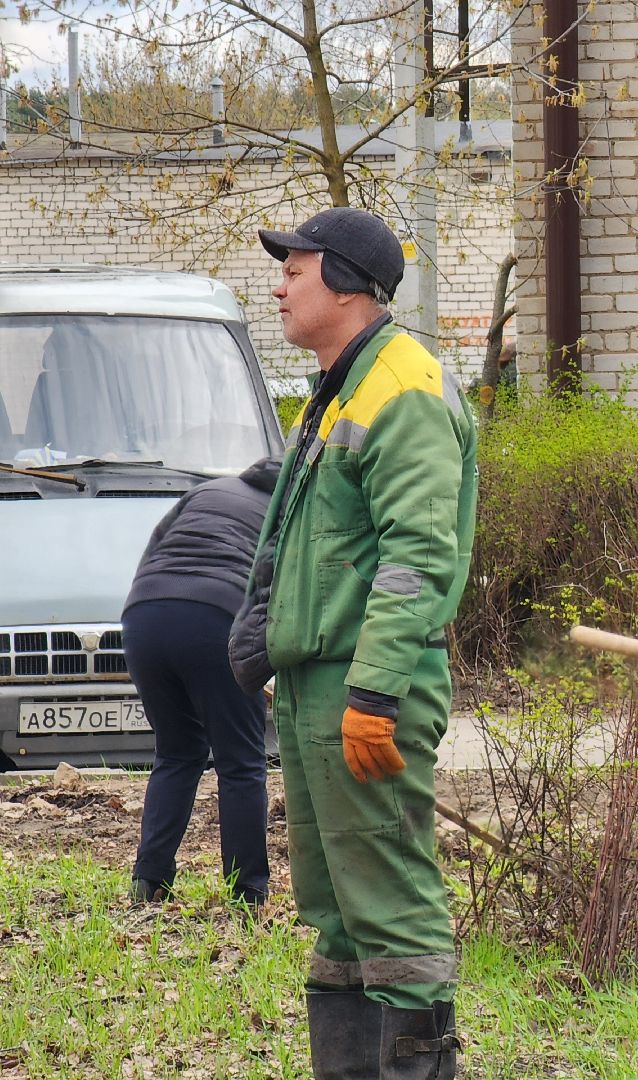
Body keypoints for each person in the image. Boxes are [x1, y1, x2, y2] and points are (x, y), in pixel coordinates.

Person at [229, 207, 477, 1080]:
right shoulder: (343, 385)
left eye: (292, 269)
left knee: (392, 913)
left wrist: (373, 697)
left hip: (364, 690)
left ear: (340, 277)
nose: (279, 285)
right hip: (317, 688)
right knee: (336, 914)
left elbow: (417, 555)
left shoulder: (402, 386)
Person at [125, 455, 279, 908]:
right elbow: (282, 591)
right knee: (242, 762)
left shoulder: (208, 491)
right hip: (217, 617)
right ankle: (248, 892)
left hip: (143, 616)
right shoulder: (289, 512)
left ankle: (149, 880)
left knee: (176, 752)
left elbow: (153, 550)